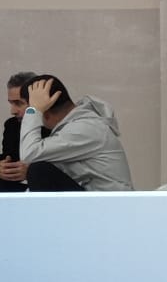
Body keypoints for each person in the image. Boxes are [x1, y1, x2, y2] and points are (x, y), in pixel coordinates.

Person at [0, 74, 132, 191]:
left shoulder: (84, 128)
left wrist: (34, 110)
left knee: (39, 171)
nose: (13, 111)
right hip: (94, 202)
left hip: (109, 206)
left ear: (45, 111)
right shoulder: (73, 126)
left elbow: (29, 155)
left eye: (21, 104)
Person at [2, 71, 38, 194]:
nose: (13, 111)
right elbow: (9, 157)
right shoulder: (12, 125)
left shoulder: (56, 127)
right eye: (11, 103)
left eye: (19, 103)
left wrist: (31, 172)